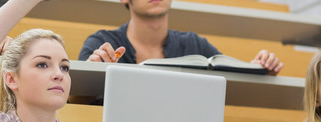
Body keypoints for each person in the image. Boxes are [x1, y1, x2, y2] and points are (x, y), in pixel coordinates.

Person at [78, 0, 283, 74]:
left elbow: (231, 75)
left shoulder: (194, 45)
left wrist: (259, 67)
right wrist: (93, 69)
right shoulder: (101, 43)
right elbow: (77, 98)